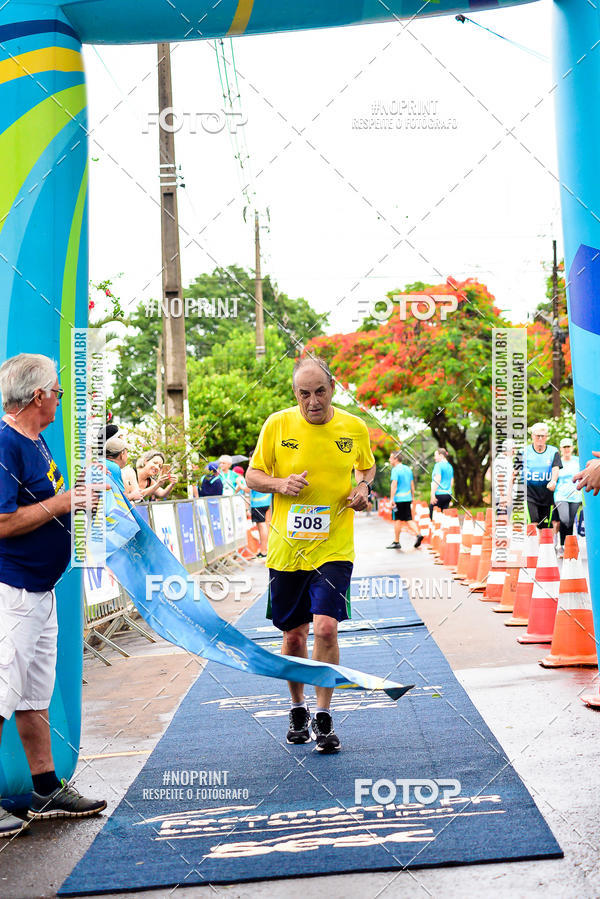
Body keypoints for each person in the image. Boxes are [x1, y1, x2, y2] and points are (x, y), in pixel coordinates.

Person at [0, 353, 107, 837]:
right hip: (12, 589)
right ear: (38, 395)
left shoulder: (36, 442)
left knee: (33, 696)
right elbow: (2, 523)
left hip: (39, 589)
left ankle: (45, 786)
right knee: (3, 692)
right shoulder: (5, 443)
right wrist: (64, 502)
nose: (61, 399)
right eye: (58, 392)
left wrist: (77, 497)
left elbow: (49, 501)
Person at [246, 356, 375, 753]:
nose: (313, 401)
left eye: (320, 391)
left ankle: (323, 715)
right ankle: (297, 707)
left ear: (332, 388)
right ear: (295, 394)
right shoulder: (278, 424)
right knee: (294, 635)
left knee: (325, 628)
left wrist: (363, 491)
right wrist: (280, 484)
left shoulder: (353, 428)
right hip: (287, 550)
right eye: (304, 393)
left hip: (334, 547)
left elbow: (366, 471)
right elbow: (253, 475)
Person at [525, 423, 560, 528]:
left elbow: (556, 468)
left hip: (547, 495)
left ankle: (544, 545)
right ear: (532, 436)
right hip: (529, 494)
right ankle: (532, 545)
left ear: (546, 437)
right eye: (537, 436)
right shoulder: (524, 452)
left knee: (545, 527)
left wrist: (553, 481)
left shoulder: (553, 451)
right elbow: (514, 473)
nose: (540, 438)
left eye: (543, 436)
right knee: (533, 522)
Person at [387, 450, 423, 549]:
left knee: (397, 519)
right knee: (408, 518)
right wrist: (412, 497)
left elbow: (394, 484)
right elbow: (412, 485)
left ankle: (396, 541)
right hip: (407, 498)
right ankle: (418, 534)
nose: (389, 460)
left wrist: (391, 499)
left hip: (398, 499)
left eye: (391, 458)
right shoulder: (408, 469)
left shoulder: (395, 470)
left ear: (396, 459)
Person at [552, 438, 582, 556]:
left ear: (572, 448)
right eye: (564, 447)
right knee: (564, 519)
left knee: (570, 522)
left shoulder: (577, 461)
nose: (567, 449)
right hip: (561, 495)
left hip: (575, 495)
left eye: (568, 447)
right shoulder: (558, 462)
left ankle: (566, 546)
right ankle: (561, 544)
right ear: (561, 449)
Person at [105, 436, 143, 501]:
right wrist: (133, 495)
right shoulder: (113, 467)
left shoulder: (102, 463)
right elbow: (121, 498)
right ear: (122, 454)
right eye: (126, 452)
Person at [429, 448, 454, 517]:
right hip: (448, 494)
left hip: (439, 495)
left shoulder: (438, 465)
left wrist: (432, 495)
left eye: (436, 455)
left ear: (441, 456)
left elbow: (437, 479)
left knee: (433, 516)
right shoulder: (450, 466)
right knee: (444, 516)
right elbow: (451, 482)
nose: (434, 458)